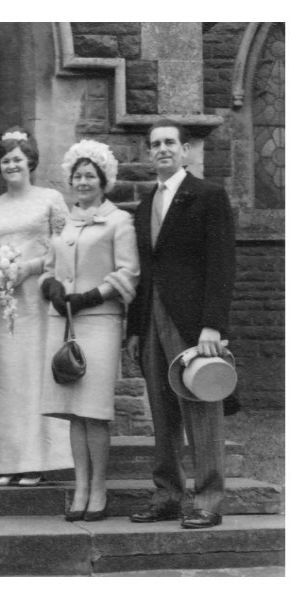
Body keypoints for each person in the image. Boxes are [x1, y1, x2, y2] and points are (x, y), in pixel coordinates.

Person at [126, 120, 236, 530]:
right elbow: (142, 271)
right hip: (151, 319)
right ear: (149, 153)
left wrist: (213, 326)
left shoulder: (208, 196)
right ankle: (168, 495)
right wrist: (135, 329)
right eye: (155, 144)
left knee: (202, 406)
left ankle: (208, 499)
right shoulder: (145, 203)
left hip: (192, 322)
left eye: (170, 142)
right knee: (162, 408)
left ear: (185, 150)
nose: (163, 149)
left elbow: (222, 264)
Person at [39, 139, 139, 521]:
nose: (82, 182)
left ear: (103, 179)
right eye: (77, 176)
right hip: (63, 321)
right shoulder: (66, 220)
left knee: (94, 411)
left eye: (90, 176)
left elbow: (129, 272)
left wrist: (91, 297)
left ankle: (99, 489)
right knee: (73, 412)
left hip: (99, 321)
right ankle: (80, 486)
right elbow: (49, 265)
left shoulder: (118, 221)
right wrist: (50, 287)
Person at [0, 127, 73, 487]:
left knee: (35, 376)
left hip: (37, 299)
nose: (12, 165)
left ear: (31, 162)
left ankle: (38, 460)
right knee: (7, 380)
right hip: (3, 302)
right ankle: (9, 461)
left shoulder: (49, 199)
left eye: (18, 159)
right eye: (5, 160)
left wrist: (30, 268)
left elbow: (65, 246)